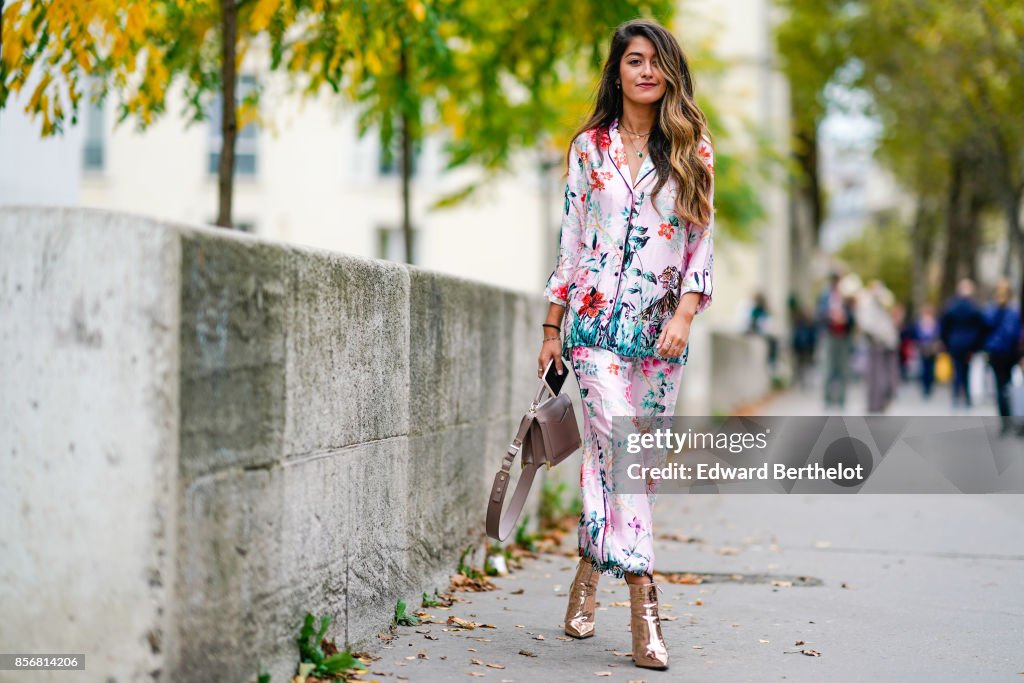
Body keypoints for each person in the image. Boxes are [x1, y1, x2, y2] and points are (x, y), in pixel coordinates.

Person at [537, 18, 714, 671]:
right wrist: (552, 327)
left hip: (660, 336)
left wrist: (686, 315)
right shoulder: (588, 149)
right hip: (590, 330)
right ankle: (644, 601)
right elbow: (572, 243)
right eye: (632, 60)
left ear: (669, 71)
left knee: (628, 461)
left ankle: (588, 570)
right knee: (623, 447)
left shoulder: (693, 149)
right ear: (617, 71)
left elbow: (702, 245)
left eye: (654, 61)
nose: (644, 70)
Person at [982, 279, 1022, 434]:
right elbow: (987, 324)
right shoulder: (993, 310)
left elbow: (1013, 332)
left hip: (1009, 352)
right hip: (997, 352)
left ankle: (1011, 418)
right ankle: (1005, 420)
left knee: (1008, 386)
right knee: (1001, 386)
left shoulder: (1013, 311)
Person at [939, 278, 988, 408]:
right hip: (970, 345)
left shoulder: (951, 305)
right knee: (966, 370)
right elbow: (981, 327)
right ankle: (967, 398)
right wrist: (978, 345)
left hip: (955, 343)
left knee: (957, 370)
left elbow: (944, 326)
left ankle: (955, 397)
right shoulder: (975, 307)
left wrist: (946, 341)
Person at [857, 281, 899, 413]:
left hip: (882, 341)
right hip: (880, 341)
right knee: (879, 373)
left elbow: (866, 323)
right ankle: (878, 401)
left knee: (878, 373)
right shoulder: (872, 302)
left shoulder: (872, 302)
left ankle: (879, 401)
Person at [816, 273, 856, 408]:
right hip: (830, 335)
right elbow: (819, 315)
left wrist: (845, 317)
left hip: (843, 336)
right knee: (828, 367)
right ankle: (827, 399)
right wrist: (830, 316)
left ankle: (841, 399)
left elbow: (852, 317)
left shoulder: (846, 297)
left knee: (843, 368)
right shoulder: (825, 297)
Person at [912, 303, 941, 398]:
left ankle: (929, 387)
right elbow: (916, 335)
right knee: (924, 369)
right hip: (923, 348)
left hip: (932, 348)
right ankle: (925, 388)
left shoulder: (935, 324)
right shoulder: (920, 324)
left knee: (931, 369)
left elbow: (937, 335)